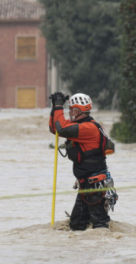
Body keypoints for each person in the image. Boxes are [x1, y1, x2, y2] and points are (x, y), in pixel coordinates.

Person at [49, 91, 117, 230]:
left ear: (77, 111)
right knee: (77, 225)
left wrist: (58, 106)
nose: (69, 113)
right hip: (85, 185)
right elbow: (54, 128)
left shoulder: (87, 128)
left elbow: (61, 129)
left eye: (70, 110)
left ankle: (105, 250)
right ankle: (84, 250)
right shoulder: (80, 126)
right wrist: (54, 108)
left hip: (95, 185)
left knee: (100, 226)